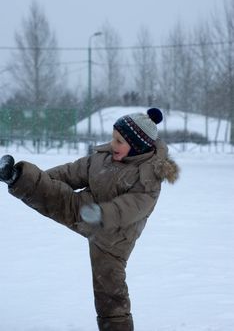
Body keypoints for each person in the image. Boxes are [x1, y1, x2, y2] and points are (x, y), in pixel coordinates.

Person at [0, 108, 179, 331]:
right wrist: (43, 179)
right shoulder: (102, 158)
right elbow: (71, 172)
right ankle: (16, 176)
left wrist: (103, 214)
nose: (113, 144)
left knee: (109, 292)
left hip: (114, 239)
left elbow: (130, 208)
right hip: (86, 208)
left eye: (119, 140)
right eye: (113, 137)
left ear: (137, 146)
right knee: (57, 197)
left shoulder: (148, 177)